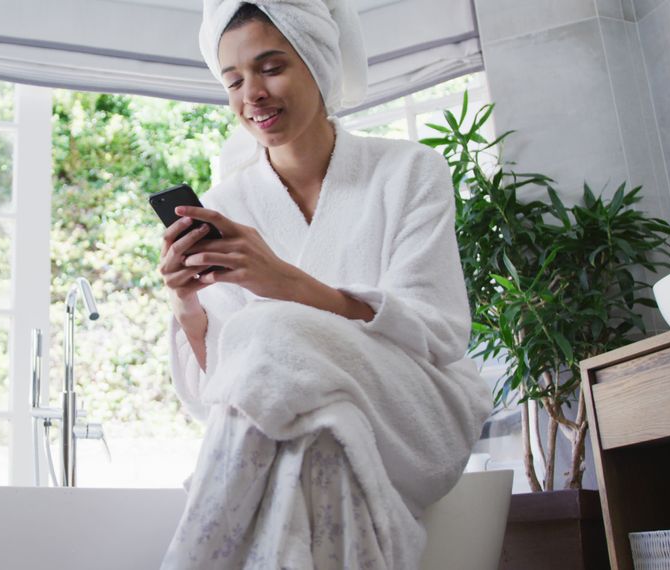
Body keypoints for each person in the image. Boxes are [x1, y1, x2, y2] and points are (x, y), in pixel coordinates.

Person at [159, 1, 492, 568]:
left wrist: (285, 283)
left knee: (268, 326)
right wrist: (187, 305)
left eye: (270, 67)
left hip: (413, 411)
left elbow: (438, 333)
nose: (252, 95)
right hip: (296, 422)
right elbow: (215, 393)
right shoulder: (226, 205)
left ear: (317, 62)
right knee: (315, 443)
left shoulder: (410, 171)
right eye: (234, 80)